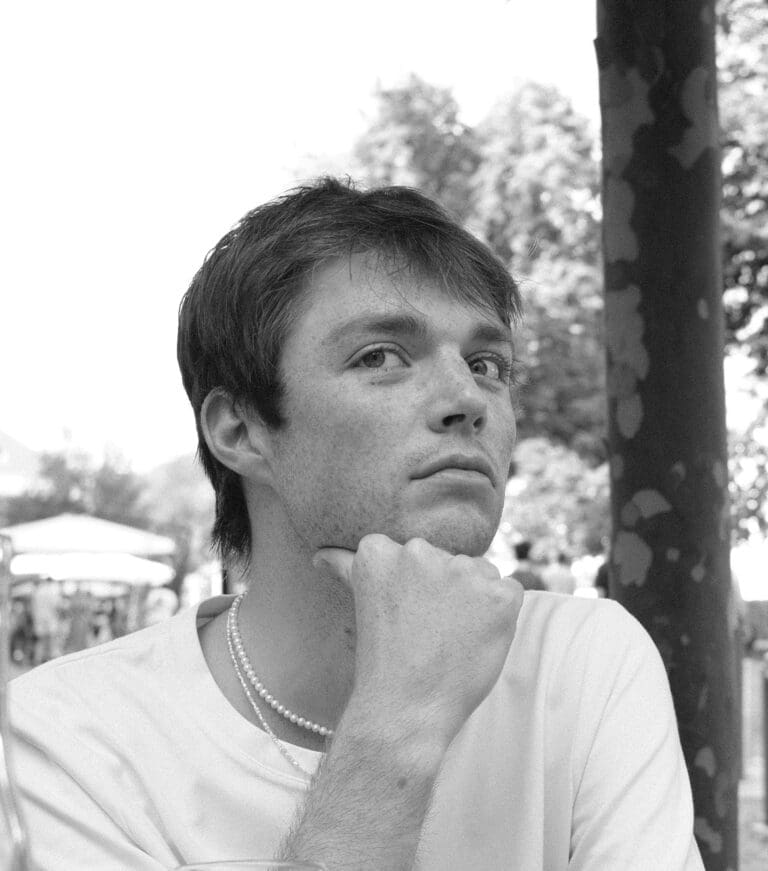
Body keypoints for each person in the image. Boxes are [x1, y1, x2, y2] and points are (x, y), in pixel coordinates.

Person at [10, 178, 704, 870]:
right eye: (380, 356)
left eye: (487, 363)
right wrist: (400, 719)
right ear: (241, 429)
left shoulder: (583, 661)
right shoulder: (72, 741)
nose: (467, 397)